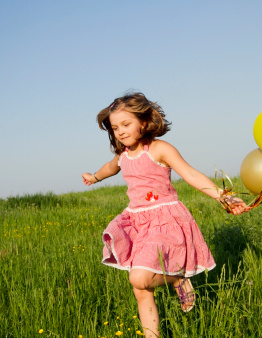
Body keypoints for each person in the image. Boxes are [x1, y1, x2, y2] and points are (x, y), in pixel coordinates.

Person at [82, 92, 249, 337]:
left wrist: (223, 196)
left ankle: (177, 279)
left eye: (126, 124)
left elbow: (190, 174)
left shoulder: (159, 149)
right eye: (115, 127)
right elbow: (110, 168)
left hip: (165, 219)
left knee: (139, 278)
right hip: (137, 222)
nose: (120, 131)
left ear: (144, 122)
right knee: (140, 289)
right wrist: (94, 177)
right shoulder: (123, 155)